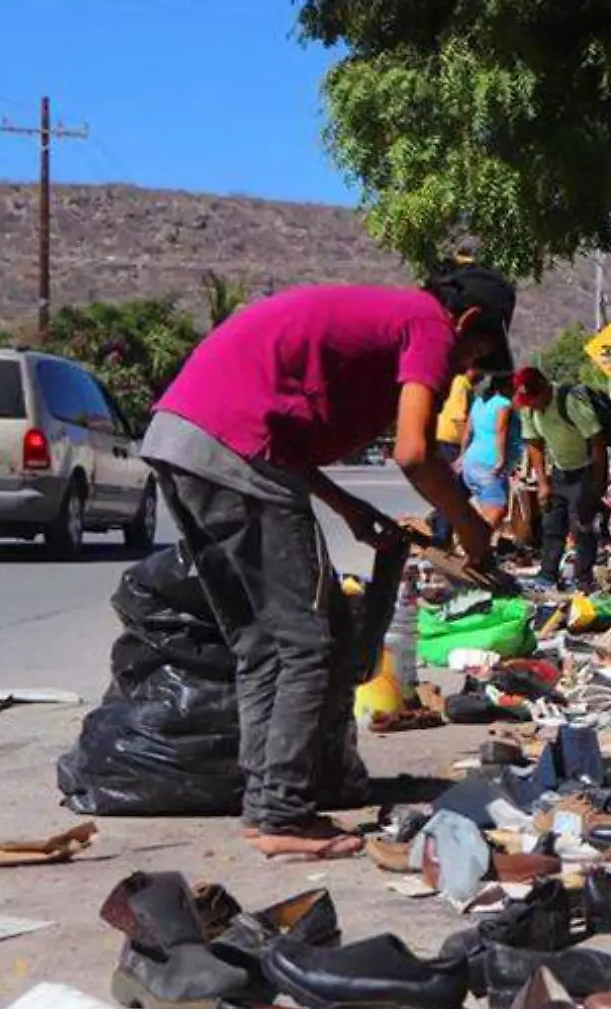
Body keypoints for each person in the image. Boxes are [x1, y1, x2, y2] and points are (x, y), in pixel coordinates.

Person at [140, 261, 516, 859]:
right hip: (238, 449)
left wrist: (346, 507)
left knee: (261, 642)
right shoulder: (429, 325)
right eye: (475, 356)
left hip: (180, 439)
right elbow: (416, 453)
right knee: (310, 641)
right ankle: (283, 812)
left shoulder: (386, 318)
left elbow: (282, 438)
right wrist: (470, 529)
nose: (465, 373)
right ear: (468, 320)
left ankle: (266, 804)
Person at [512, 366, 607, 592]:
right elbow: (535, 444)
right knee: (552, 525)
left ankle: (583, 579)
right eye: (527, 400)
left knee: (582, 526)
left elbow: (597, 441)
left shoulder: (571, 400)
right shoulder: (529, 410)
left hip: (585, 470)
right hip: (560, 473)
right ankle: (547, 575)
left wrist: (597, 484)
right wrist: (543, 484)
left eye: (534, 398)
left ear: (545, 388)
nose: (531, 404)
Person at [426, 365, 481, 543]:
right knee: (455, 490)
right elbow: (459, 418)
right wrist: (465, 452)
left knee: (461, 488)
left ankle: (438, 517)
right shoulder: (461, 384)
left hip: (449, 442)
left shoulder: (464, 385)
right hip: (451, 443)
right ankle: (441, 534)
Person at [457, 372, 516, 527]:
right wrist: (501, 459)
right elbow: (500, 430)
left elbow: (468, 431)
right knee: (496, 511)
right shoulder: (503, 404)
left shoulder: (478, 402)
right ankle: (475, 545)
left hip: (471, 463)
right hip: (488, 463)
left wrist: (462, 456)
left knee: (487, 511)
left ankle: (475, 544)